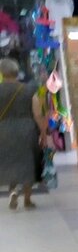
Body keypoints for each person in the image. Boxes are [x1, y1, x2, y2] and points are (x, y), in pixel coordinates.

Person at [0, 56, 47, 209]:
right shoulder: (28, 90)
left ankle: (13, 191)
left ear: (2, 73)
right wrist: (43, 133)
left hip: (4, 131)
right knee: (28, 163)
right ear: (17, 72)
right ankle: (27, 199)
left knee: (10, 162)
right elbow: (37, 114)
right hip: (27, 130)